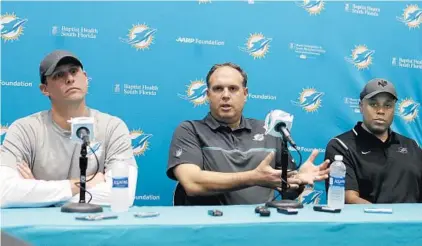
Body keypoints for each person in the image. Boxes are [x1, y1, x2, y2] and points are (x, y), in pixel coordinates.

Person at [167, 62, 330, 205]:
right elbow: (192, 183)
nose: (225, 95)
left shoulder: (269, 130)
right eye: (218, 89)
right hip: (209, 232)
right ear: (208, 95)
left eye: (233, 89)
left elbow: (287, 191)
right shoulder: (190, 130)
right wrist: (254, 177)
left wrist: (298, 179)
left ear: (245, 94)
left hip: (259, 231)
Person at [0, 50, 138, 208]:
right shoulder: (24, 130)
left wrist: (40, 195)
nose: (70, 79)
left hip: (97, 228)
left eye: (74, 71)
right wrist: (85, 184)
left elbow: (122, 195)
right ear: (44, 89)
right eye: (59, 75)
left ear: (85, 78)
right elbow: (4, 192)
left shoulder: (113, 127)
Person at [325, 78, 422, 204]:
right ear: (361, 107)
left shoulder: (412, 146)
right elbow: (348, 199)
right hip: (369, 223)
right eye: (373, 104)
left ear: (394, 109)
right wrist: (388, 219)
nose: (381, 111)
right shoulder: (341, 146)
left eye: (387, 105)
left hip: (413, 223)